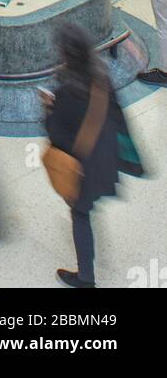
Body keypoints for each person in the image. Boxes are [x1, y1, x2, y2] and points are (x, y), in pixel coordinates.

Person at [43, 24, 131, 289]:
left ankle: (85, 278)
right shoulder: (101, 74)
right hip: (105, 156)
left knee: (80, 215)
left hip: (82, 168)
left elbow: (57, 136)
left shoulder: (65, 93)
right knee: (88, 208)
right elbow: (116, 113)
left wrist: (48, 109)